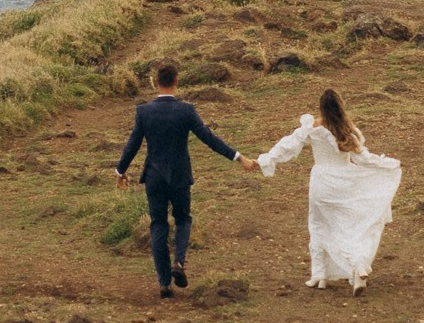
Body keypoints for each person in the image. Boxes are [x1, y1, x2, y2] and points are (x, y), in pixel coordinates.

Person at [115, 61, 256, 296]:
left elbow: (132, 145)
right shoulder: (186, 110)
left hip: (154, 177)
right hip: (180, 175)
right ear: (176, 81)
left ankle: (163, 283)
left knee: (158, 225)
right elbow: (209, 138)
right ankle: (179, 262)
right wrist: (238, 157)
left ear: (156, 82)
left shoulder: (144, 112)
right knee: (183, 220)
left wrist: (120, 172)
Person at [256, 86, 401, 293]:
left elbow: (288, 145)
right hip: (345, 182)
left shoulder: (312, 127)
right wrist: (389, 164)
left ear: (321, 108)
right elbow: (364, 159)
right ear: (341, 106)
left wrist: (266, 160)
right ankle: (357, 265)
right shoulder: (348, 130)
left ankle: (320, 275)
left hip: (322, 182)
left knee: (318, 225)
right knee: (347, 226)